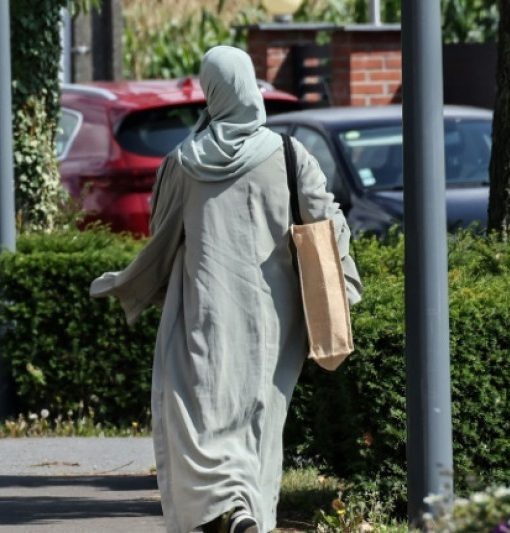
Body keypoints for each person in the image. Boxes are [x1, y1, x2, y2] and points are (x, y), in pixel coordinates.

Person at [89, 46, 362, 533]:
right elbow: (326, 220)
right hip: (275, 319)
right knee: (258, 416)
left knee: (200, 416)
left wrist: (134, 282)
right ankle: (247, 510)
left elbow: (162, 232)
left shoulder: (183, 162)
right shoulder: (288, 154)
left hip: (204, 311)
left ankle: (226, 510)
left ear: (212, 91)